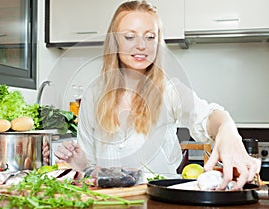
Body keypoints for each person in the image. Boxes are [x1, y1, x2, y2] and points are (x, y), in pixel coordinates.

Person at [54, 0, 261, 190]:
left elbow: (210, 117)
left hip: (159, 199)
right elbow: (89, 169)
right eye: (129, 36)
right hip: (109, 201)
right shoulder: (93, 94)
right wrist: (80, 163)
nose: (141, 45)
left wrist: (227, 131)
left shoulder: (170, 90)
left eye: (150, 37)